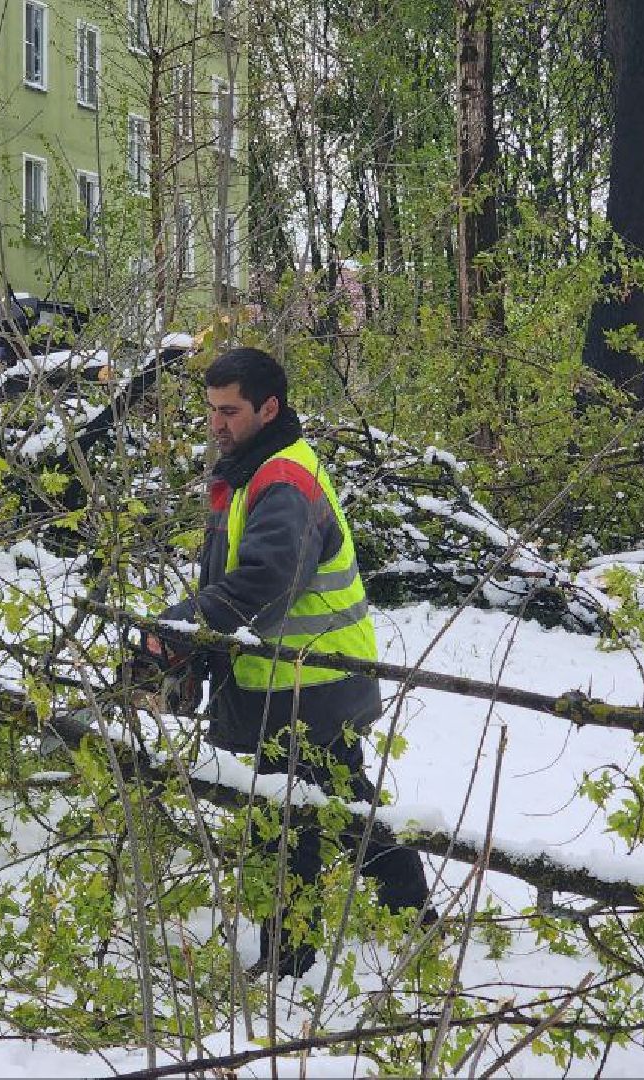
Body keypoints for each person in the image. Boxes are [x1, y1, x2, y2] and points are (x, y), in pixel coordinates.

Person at [149, 346, 430, 979]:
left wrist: (183, 625)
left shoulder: (281, 479)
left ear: (269, 408)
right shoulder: (254, 469)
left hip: (310, 678)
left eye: (230, 411)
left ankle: (290, 959)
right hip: (304, 677)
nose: (217, 424)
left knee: (288, 819)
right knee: (340, 805)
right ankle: (411, 916)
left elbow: (265, 581)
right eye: (212, 410)